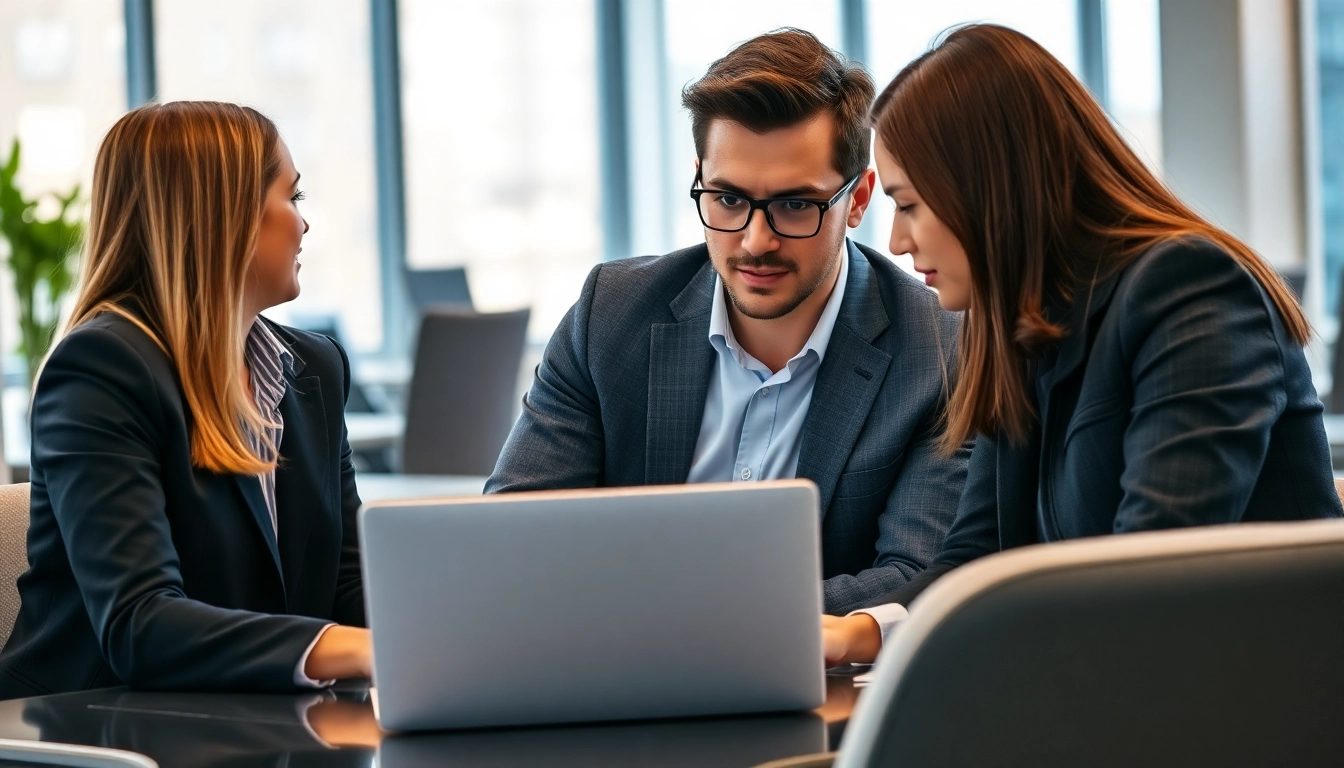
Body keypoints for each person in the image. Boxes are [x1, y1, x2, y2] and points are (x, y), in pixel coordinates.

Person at [822, 23, 1344, 666]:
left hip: (1252, 700)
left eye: (909, 205)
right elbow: (976, 556)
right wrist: (858, 634)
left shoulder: (1191, 288)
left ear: (988, 188)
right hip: (1124, 690)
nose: (898, 242)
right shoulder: (1022, 331)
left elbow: (1150, 576)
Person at [486, 29, 968, 614]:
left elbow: (915, 574)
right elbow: (514, 539)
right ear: (701, 179)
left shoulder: (941, 352)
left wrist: (695, 622)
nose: (755, 241)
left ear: (859, 199)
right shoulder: (610, 316)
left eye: (796, 205)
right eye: (728, 199)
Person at [0, 101, 371, 698]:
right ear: (224, 214)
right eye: (292, 197)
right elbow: (138, 624)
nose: (304, 224)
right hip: (89, 729)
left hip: (250, 722)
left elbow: (347, 585)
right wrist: (351, 648)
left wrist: (460, 624)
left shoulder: (312, 369)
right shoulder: (101, 369)